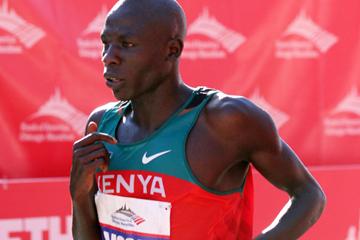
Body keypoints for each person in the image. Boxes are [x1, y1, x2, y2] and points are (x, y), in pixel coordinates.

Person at [70, 0, 326, 239]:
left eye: (127, 45)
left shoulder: (224, 120)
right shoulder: (102, 126)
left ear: (172, 50)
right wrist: (80, 197)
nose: (108, 57)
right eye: (106, 43)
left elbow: (309, 195)